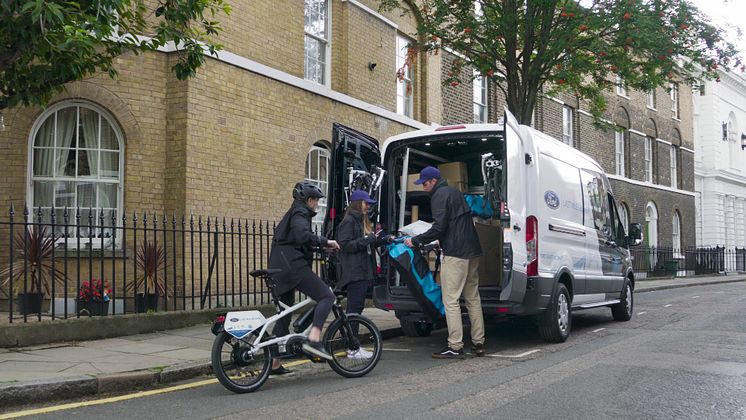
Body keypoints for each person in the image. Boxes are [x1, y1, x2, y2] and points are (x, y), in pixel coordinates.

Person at [404, 166, 486, 358]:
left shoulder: (439, 195)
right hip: (472, 251)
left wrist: (415, 240)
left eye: (424, 183)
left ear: (433, 181)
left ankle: (455, 346)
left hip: (456, 253)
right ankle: (478, 342)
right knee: (473, 298)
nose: (423, 188)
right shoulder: (455, 192)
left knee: (451, 300)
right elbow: (455, 223)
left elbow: (439, 226)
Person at [268, 181, 340, 375]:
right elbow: (301, 235)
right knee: (327, 297)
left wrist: (319, 246)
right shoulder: (300, 212)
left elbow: (296, 240)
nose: (317, 204)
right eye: (316, 200)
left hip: (279, 269)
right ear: (309, 200)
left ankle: (274, 363)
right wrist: (325, 241)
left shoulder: (293, 212)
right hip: (293, 268)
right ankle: (314, 339)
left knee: (284, 316)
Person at [336, 189, 391, 359]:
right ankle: (353, 348)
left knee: (356, 309)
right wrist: (368, 239)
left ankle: (352, 346)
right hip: (354, 272)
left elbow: (365, 244)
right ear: (357, 203)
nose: (368, 206)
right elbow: (345, 245)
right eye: (366, 203)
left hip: (361, 271)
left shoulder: (360, 221)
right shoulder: (349, 221)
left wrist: (382, 239)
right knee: (354, 310)